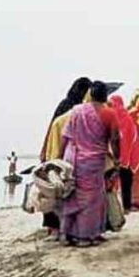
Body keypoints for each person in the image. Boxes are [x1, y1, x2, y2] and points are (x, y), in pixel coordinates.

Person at [60, 82, 120, 247]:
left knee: (71, 196)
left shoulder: (77, 111)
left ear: (90, 95)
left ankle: (66, 234)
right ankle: (85, 236)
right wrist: (117, 159)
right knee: (91, 200)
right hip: (94, 162)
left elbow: (65, 136)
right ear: (105, 96)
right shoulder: (109, 113)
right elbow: (115, 139)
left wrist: (58, 158)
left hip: (73, 159)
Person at [40, 77, 92, 235]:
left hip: (57, 151)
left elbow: (52, 127)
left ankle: (54, 228)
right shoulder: (80, 109)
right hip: (69, 153)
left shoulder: (65, 105)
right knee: (66, 190)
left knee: (55, 189)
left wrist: (45, 150)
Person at [108, 95, 138, 212]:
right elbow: (131, 137)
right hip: (126, 156)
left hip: (114, 154)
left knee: (110, 182)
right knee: (126, 182)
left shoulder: (111, 116)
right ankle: (126, 206)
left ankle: (114, 208)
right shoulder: (127, 117)